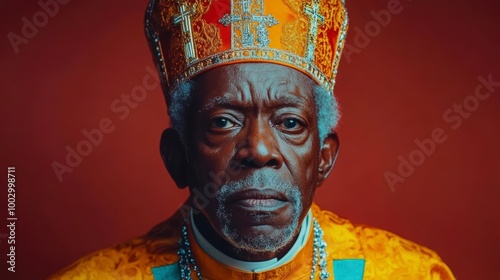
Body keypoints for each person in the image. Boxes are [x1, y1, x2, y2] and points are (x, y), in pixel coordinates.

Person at [50, 0, 455, 279]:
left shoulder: (411, 273)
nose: (259, 150)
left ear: (325, 158)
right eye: (224, 122)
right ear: (177, 157)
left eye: (290, 123)